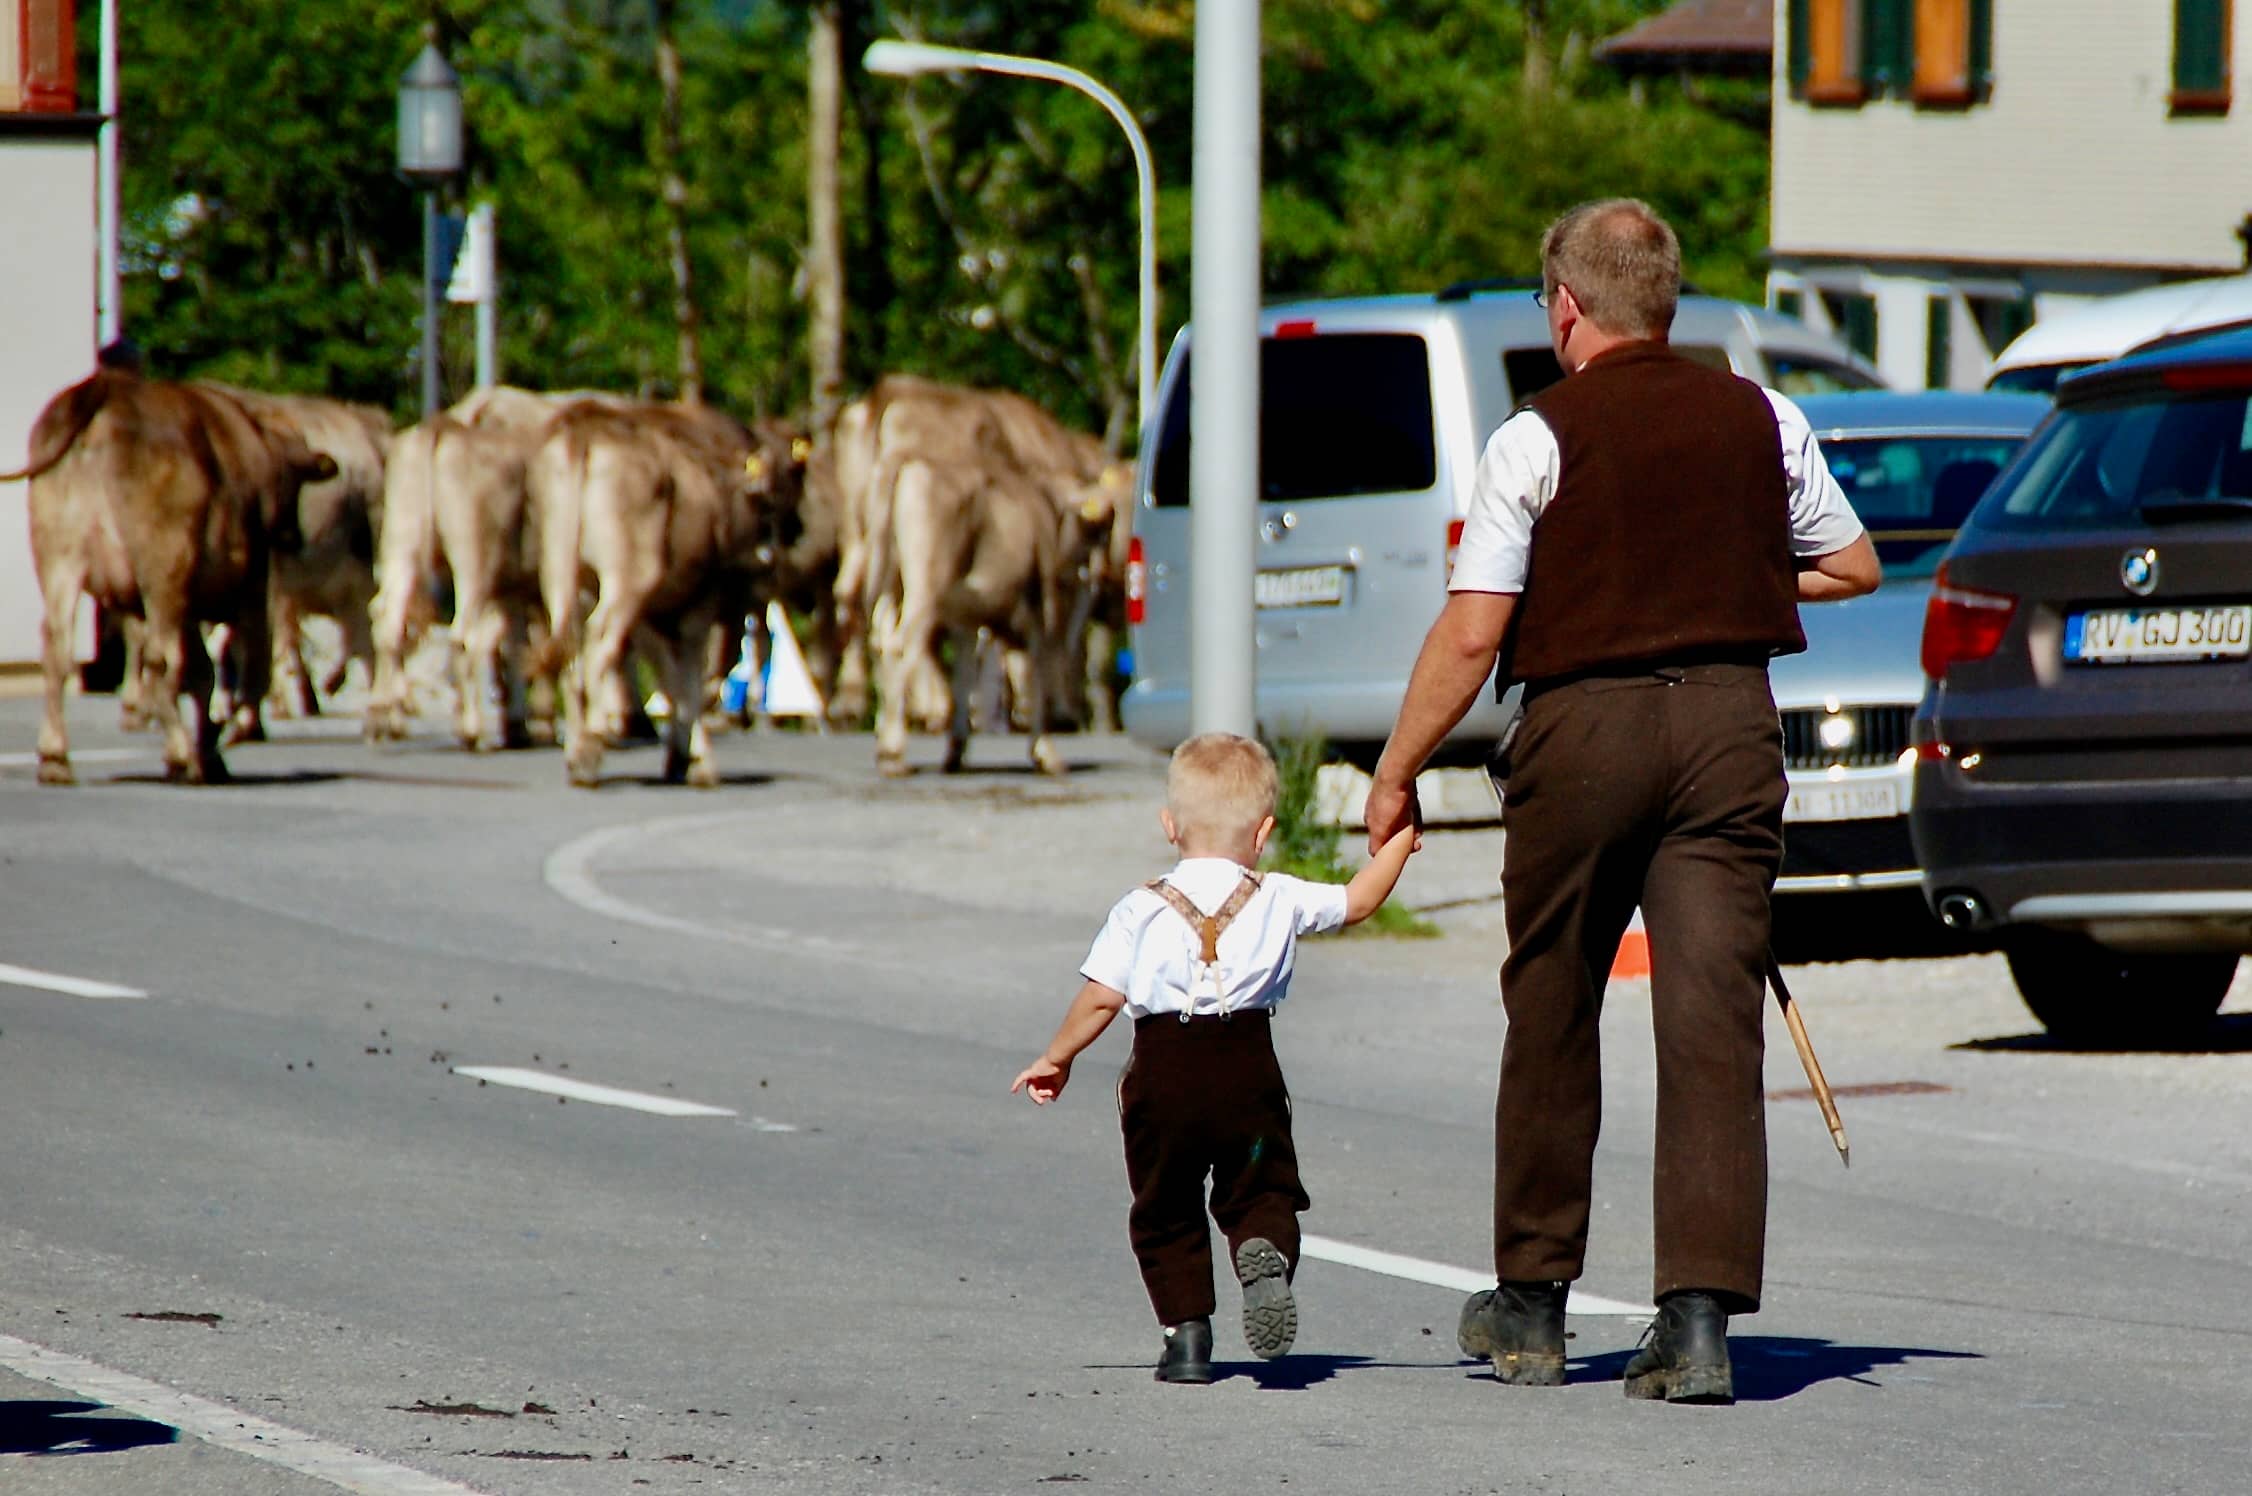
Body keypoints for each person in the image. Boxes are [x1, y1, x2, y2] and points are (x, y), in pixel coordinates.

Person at [1364, 199, 1880, 1405]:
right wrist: (1735, 574)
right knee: (1710, 1018)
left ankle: (1531, 1303)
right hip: (1724, 726)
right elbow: (1852, 564)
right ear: (1667, 301)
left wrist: (1394, 768)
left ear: (1563, 305)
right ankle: (1695, 1321)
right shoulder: (1764, 414)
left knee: (1551, 998)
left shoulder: (1534, 434)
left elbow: (1473, 627)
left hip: (1583, 729)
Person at [1012, 732, 1418, 1384]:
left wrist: (1055, 1058)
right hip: (1246, 1068)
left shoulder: (1140, 907)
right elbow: (1360, 900)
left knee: (1165, 1203)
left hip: (1163, 1072)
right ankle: (1264, 1252)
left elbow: (1100, 999)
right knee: (1262, 1187)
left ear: (1170, 826)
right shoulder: (1278, 894)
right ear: (1263, 833)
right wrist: (1400, 839)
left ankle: (1187, 1337)